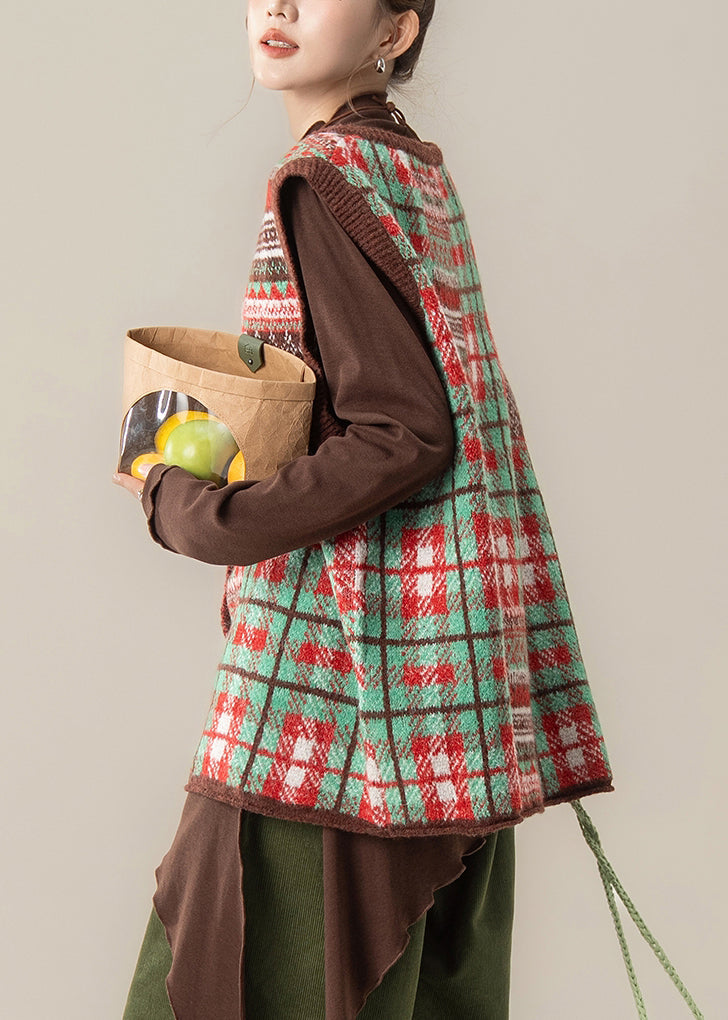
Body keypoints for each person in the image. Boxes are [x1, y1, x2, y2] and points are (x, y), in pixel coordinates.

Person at [114, 2, 614, 1017]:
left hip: (335, 711)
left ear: (396, 30)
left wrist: (194, 511)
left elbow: (401, 431)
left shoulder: (324, 175)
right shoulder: (406, 168)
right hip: (450, 696)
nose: (279, 6)